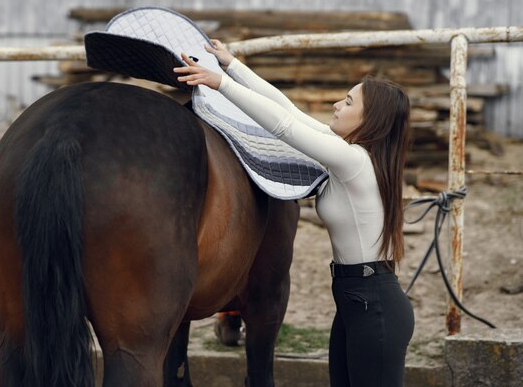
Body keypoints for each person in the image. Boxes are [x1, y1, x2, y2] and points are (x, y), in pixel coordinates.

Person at [174, 40, 415, 387]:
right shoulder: (352, 155)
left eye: (347, 102)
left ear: (369, 119)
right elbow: (289, 110)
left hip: (372, 305)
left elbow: (284, 126)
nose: (336, 105)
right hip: (356, 300)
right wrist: (233, 65)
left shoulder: (353, 162)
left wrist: (220, 84)